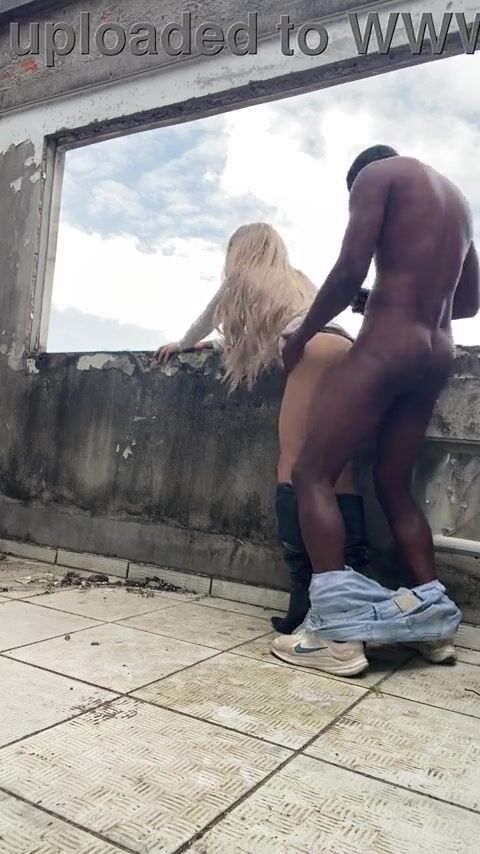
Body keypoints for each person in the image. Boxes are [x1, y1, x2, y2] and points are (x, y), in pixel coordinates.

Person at [272, 145, 478, 677]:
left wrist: (302, 333)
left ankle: (336, 635)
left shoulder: (376, 176)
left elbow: (348, 269)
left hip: (388, 348)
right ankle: (434, 627)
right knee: (392, 485)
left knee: (311, 473)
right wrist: (389, 296)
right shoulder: (458, 203)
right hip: (436, 353)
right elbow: (469, 303)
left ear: (356, 179)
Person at [154, 222, 369, 633]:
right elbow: (272, 328)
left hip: (313, 351)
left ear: (239, 251)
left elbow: (212, 318)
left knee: (292, 465)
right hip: (348, 348)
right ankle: (354, 593)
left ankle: (303, 599)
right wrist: (217, 344)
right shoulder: (296, 279)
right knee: (341, 474)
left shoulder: (244, 277)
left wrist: (183, 344)